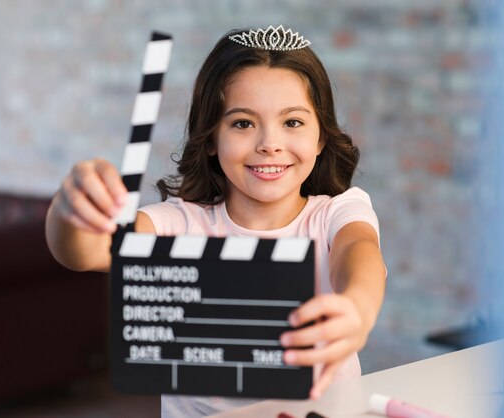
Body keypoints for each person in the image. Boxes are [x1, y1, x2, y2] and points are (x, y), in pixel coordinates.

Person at [45, 25, 387, 417]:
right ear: (210, 138)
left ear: (321, 138)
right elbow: (84, 251)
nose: (269, 144)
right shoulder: (178, 225)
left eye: (292, 122)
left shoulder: (337, 213)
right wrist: (71, 208)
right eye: (242, 123)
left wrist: (357, 309)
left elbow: (360, 254)